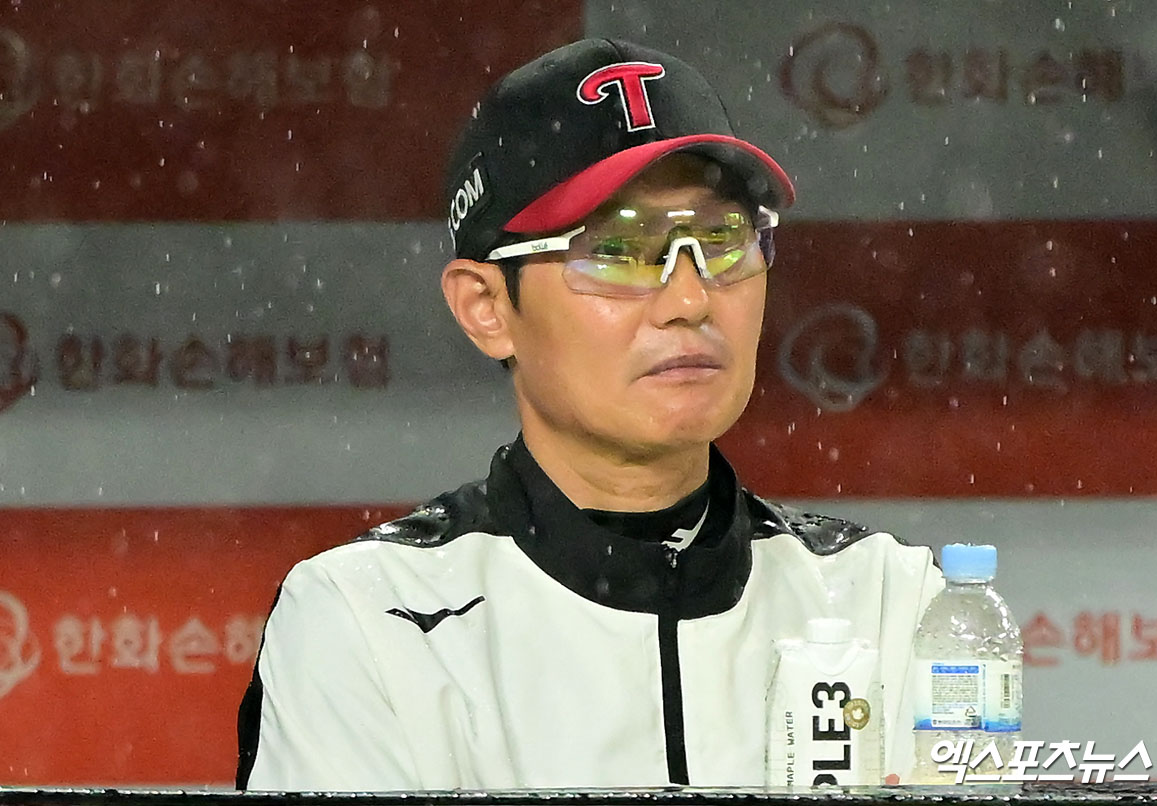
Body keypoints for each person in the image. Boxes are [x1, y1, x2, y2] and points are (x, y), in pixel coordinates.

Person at [236, 38, 943, 791]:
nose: (690, 299)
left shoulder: (887, 598)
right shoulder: (368, 617)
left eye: (719, 240)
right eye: (617, 250)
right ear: (487, 307)